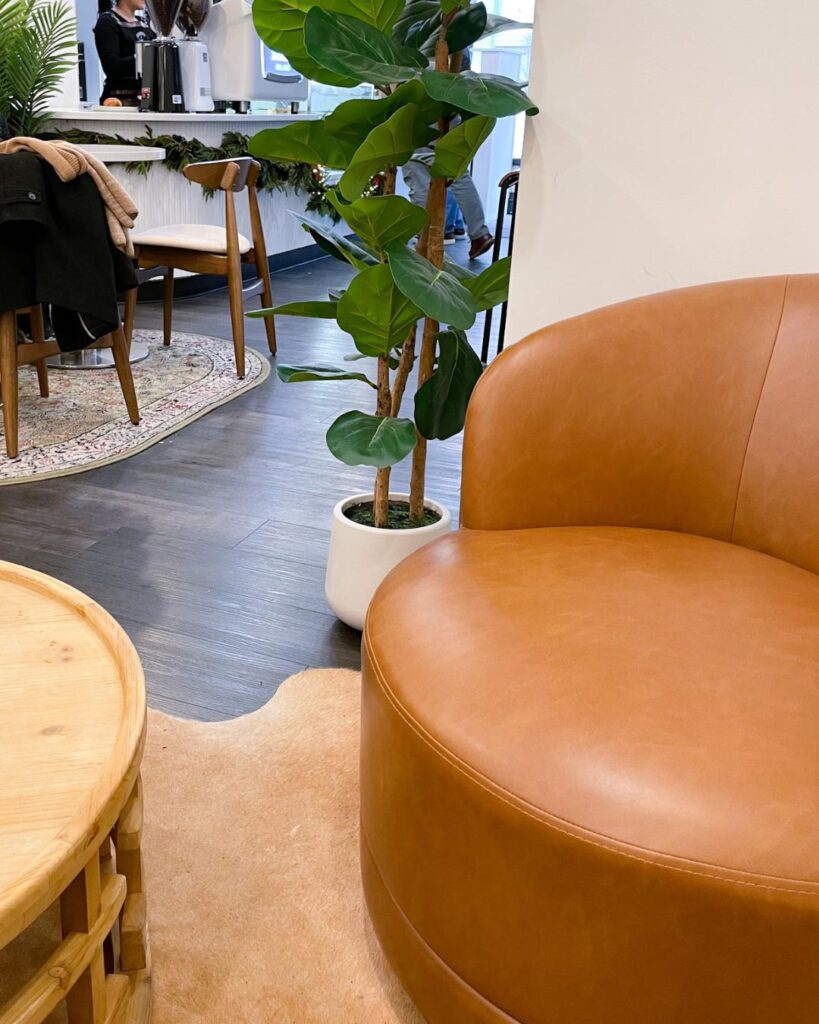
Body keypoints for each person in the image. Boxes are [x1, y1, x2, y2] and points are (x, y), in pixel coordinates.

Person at [94, 0, 156, 105]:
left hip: (147, 100)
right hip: (119, 102)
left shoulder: (144, 23)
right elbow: (112, 67)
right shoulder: (107, 22)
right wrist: (143, 56)